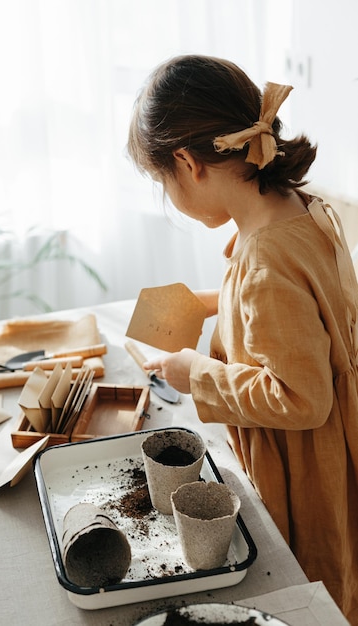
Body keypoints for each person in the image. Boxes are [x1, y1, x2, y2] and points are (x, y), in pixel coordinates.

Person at [127, 54, 358, 623]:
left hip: (307, 465)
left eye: (163, 181)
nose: (168, 193)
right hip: (343, 435)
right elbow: (308, 313)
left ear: (186, 161)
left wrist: (193, 374)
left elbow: (301, 398)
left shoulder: (263, 260)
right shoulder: (297, 209)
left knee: (312, 586)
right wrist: (213, 301)